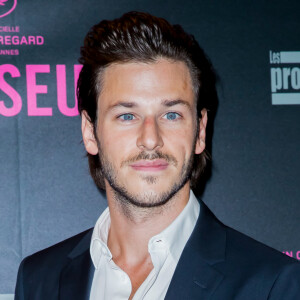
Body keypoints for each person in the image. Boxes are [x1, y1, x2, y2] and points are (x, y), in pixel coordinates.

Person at [15, 11, 300, 300]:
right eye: (127, 116)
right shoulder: (39, 279)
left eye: (172, 114)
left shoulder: (272, 284)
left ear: (200, 131)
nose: (150, 139)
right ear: (90, 132)